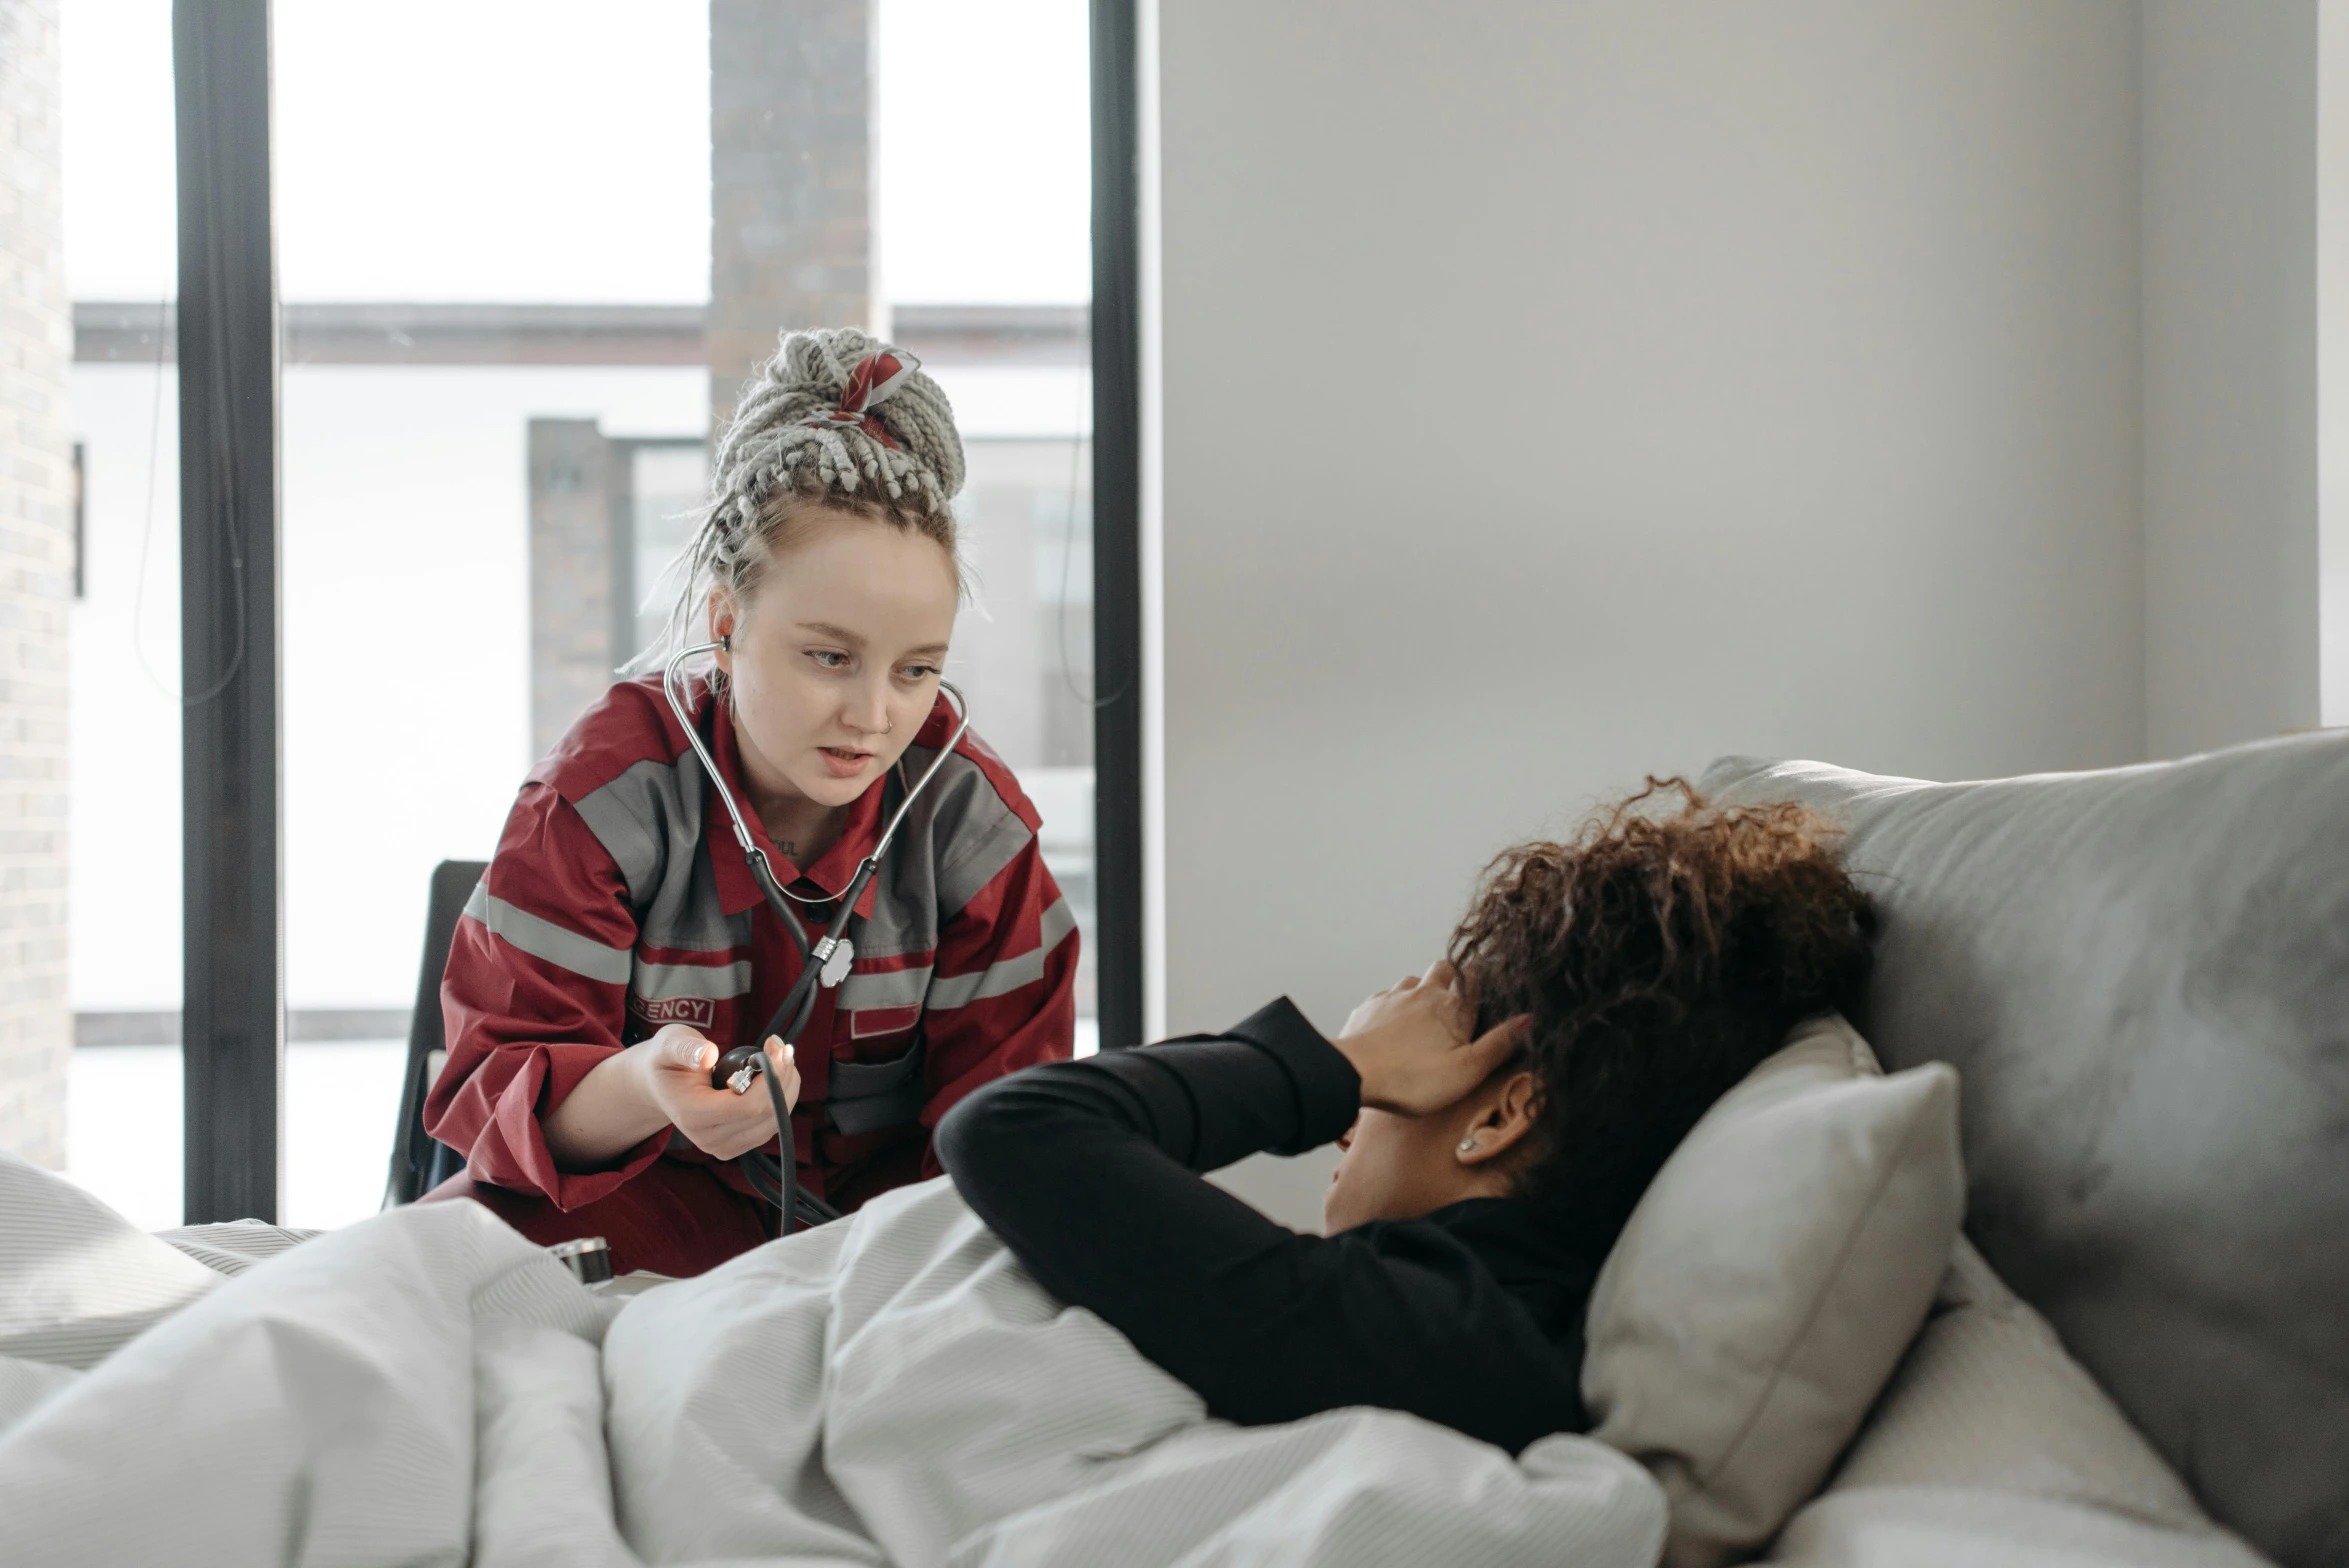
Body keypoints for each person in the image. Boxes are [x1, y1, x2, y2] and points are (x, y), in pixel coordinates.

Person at [938, 780, 1875, 1453]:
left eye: (1402, 1084)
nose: (1350, 1126)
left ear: (1502, 1112)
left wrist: (1339, 1065)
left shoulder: (1445, 1335)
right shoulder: (1453, 1318)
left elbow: (1010, 1129)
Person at [425, 329, 1077, 1278]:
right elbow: (499, 1098)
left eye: (917, 670)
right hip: (654, 1196)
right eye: (828, 656)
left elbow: (1004, 1143)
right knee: (452, 1276)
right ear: (726, 626)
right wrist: (648, 1085)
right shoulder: (598, 803)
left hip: (894, 1242)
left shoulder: (973, 831)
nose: (872, 713)